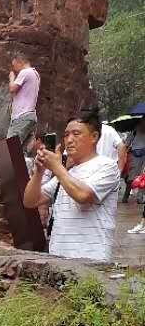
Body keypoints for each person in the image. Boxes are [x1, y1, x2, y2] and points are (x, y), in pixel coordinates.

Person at [23, 112, 121, 262]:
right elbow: (30, 202)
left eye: (76, 134)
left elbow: (83, 196)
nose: (69, 140)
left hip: (91, 258)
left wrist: (56, 167)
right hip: (58, 257)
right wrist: (39, 173)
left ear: (94, 137)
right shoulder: (68, 173)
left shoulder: (108, 166)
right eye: (66, 134)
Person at [7, 54, 40, 145]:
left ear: (20, 62)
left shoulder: (25, 72)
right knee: (21, 152)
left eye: (14, 66)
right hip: (30, 116)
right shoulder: (35, 74)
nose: (14, 69)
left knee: (10, 146)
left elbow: (12, 88)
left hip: (22, 116)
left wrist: (11, 78)